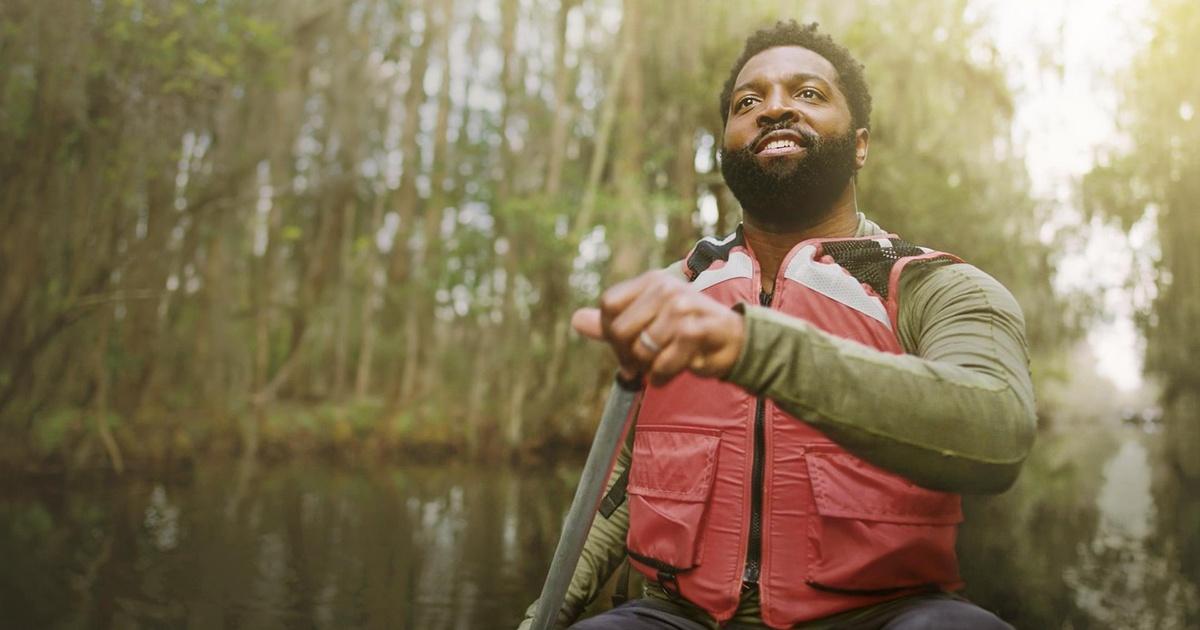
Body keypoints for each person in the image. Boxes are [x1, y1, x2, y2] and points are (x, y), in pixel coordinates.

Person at [521, 20, 1035, 630]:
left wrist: (752, 345)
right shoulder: (677, 292)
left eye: (809, 94)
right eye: (748, 102)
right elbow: (617, 492)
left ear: (860, 144)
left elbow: (997, 430)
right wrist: (542, 618)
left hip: (884, 615)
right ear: (727, 146)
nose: (775, 109)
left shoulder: (937, 287)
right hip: (678, 617)